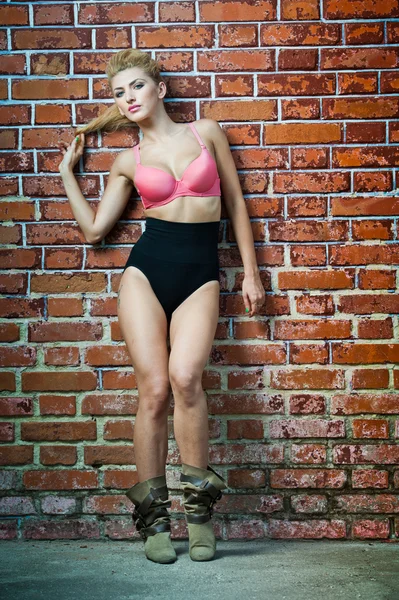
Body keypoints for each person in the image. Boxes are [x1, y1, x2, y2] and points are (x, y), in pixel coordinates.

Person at [58, 49, 265, 564]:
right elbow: (94, 231)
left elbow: (236, 204)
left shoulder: (206, 133)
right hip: (145, 273)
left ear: (160, 89)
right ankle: (153, 524)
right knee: (152, 389)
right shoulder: (127, 162)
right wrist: (67, 172)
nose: (127, 98)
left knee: (187, 379)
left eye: (135, 87)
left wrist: (252, 272)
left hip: (200, 274)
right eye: (118, 93)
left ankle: (199, 519)